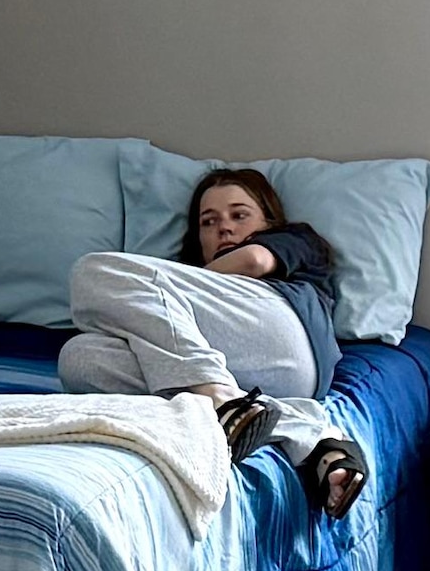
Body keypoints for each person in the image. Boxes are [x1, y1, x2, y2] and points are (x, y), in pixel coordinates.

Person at [60, 167, 374, 518]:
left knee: (95, 271)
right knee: (80, 357)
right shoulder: (184, 287)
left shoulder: (295, 238)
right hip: (246, 370)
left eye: (239, 215)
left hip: (284, 331)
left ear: (269, 222)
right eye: (208, 222)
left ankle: (216, 396)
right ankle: (308, 435)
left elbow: (254, 261)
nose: (224, 227)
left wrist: (149, 287)